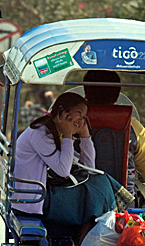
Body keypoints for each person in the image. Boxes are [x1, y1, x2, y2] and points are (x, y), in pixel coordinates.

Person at [12, 92, 133, 232]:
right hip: (35, 198)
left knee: (100, 182)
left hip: (46, 191)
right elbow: (63, 170)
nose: (81, 120)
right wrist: (69, 135)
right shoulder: (41, 133)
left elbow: (89, 168)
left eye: (84, 117)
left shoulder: (57, 132)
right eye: (79, 114)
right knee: (99, 187)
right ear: (62, 112)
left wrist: (85, 135)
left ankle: (98, 228)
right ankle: (96, 231)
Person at [83, 70, 145, 207]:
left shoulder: (69, 122)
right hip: (123, 208)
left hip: (79, 205)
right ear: (116, 96)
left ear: (85, 94)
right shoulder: (133, 126)